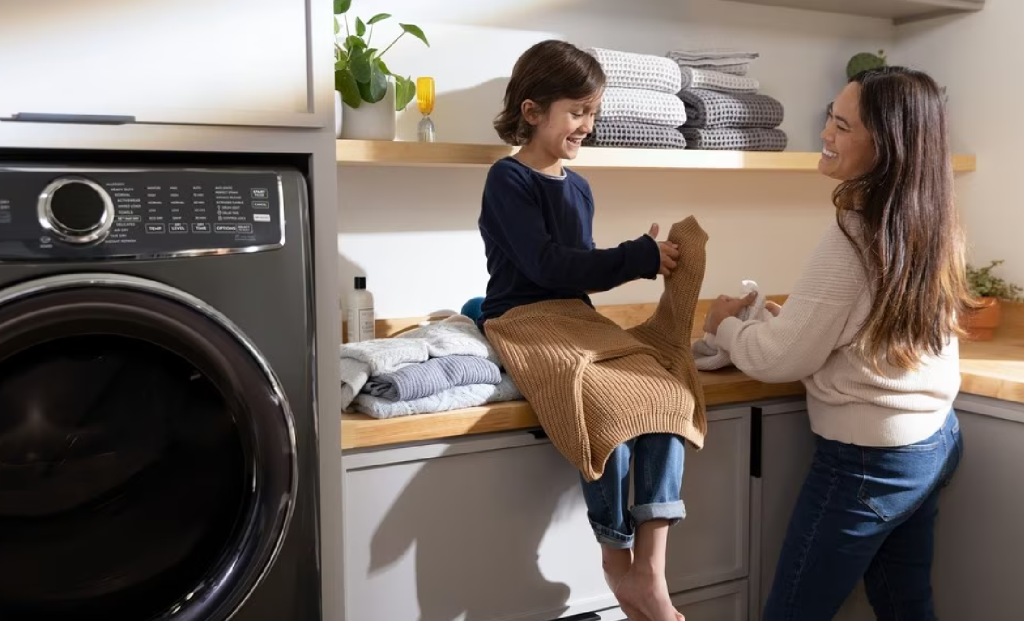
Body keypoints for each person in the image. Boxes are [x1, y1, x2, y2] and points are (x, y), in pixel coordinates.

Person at [704, 66, 970, 620]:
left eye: (843, 126)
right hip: (932, 441)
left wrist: (725, 327)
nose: (825, 134)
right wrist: (792, 321)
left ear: (887, 144)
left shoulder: (854, 235)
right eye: (831, 116)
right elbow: (869, 326)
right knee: (904, 605)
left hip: (867, 465)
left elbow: (780, 358)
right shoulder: (932, 220)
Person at [476, 39, 687, 621]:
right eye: (577, 110)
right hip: (522, 318)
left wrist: (646, 258)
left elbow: (577, 269)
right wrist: (635, 257)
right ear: (532, 109)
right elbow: (544, 266)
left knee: (667, 394)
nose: (587, 124)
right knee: (609, 406)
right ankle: (616, 561)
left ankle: (651, 571)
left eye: (593, 112)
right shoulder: (508, 181)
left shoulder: (580, 186)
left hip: (573, 318)